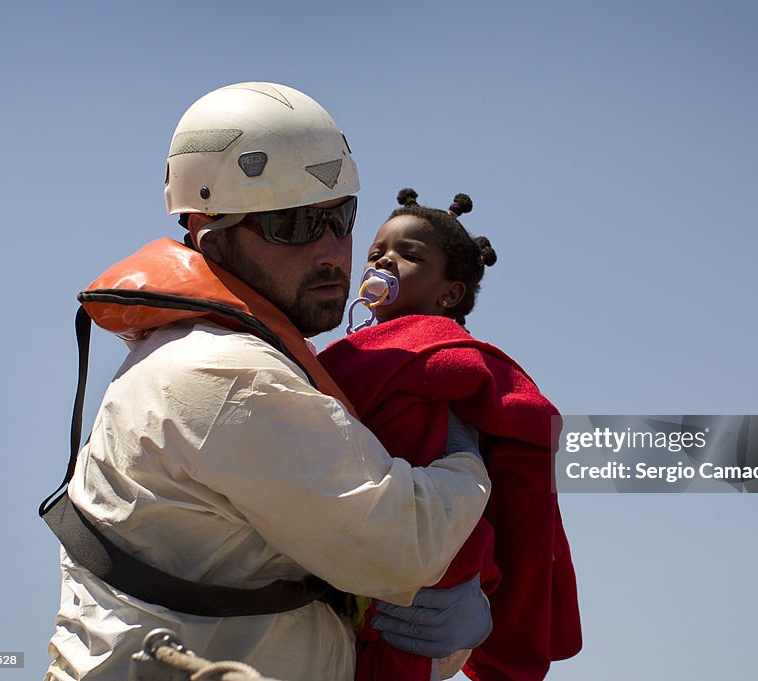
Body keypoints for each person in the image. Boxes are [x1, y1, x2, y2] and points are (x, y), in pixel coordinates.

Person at [42, 83, 494, 681]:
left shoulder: (214, 357)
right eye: (295, 224)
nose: (333, 249)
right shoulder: (223, 373)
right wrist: (470, 459)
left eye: (341, 216)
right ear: (209, 227)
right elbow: (401, 546)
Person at [318, 189, 582, 681]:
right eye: (377, 252)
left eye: (409, 254)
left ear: (449, 294)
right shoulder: (345, 350)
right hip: (355, 543)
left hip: (428, 562)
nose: (385, 260)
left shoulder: (447, 352)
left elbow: (525, 427)